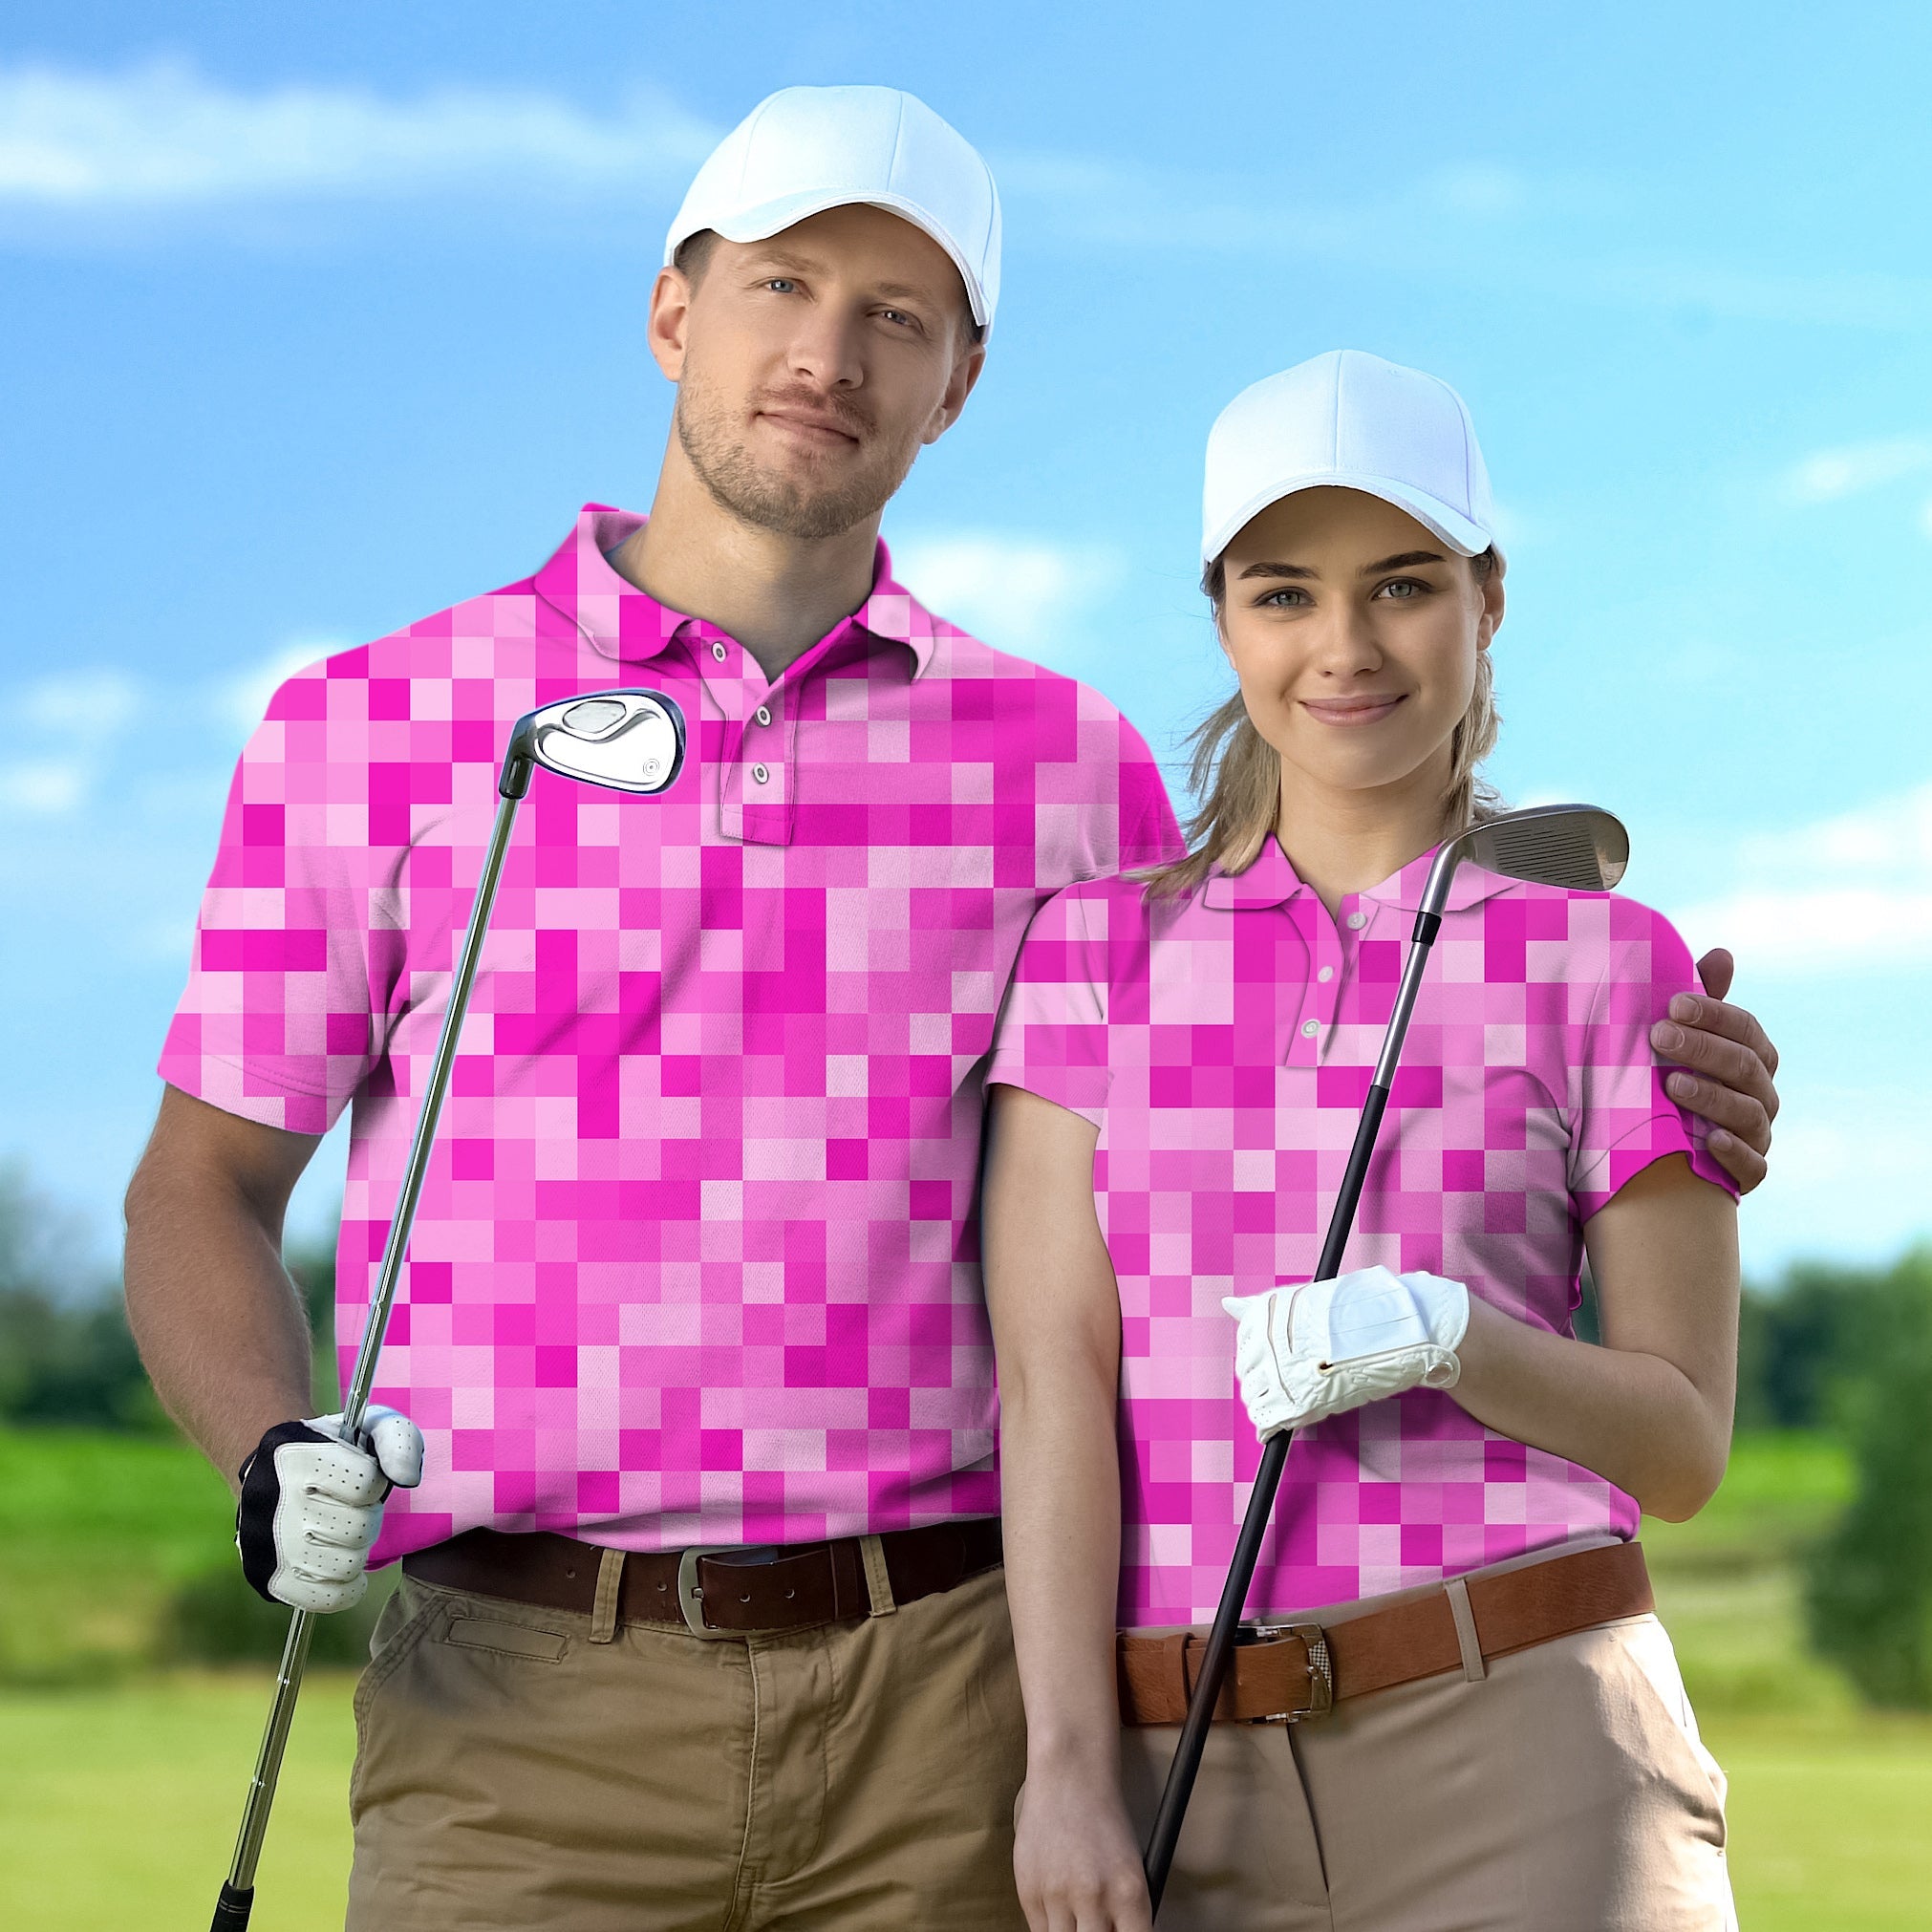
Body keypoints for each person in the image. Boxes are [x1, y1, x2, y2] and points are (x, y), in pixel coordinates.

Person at [119, 80, 1776, 1928]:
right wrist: (270, 1450)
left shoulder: (1061, 762)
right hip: (514, 1702)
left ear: (959, 381)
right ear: (674, 309)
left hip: (946, 1697)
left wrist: (1631, 1043)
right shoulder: (365, 729)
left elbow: (1258, 1054)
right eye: (781, 286)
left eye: (894, 316)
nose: (827, 353)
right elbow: (200, 1188)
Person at [983, 351, 1751, 1930]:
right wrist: (1062, 1761)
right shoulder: (1088, 955)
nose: (1342, 647)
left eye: (1400, 585)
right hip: (1181, 1771)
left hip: (1531, 1734)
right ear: (1220, 618)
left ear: (1485, 600)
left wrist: (1446, 1335)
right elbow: (1050, 1378)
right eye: (1283, 594)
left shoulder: (1608, 960)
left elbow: (1678, 1447)